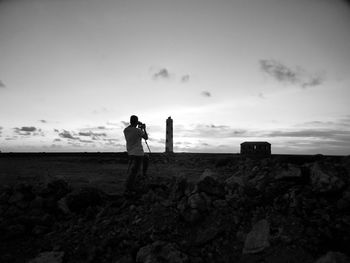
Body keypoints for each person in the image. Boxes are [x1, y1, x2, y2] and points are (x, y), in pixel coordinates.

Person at [123, 115, 149, 194]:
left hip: (130, 152)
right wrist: (144, 128)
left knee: (146, 157)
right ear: (136, 122)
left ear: (130, 121)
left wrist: (136, 124)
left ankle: (141, 176)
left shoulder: (125, 130)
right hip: (138, 153)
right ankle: (129, 187)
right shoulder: (138, 131)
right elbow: (146, 137)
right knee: (135, 171)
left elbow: (131, 128)